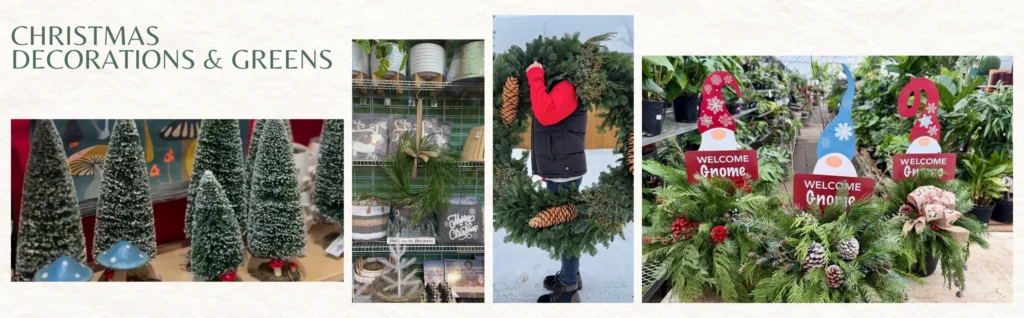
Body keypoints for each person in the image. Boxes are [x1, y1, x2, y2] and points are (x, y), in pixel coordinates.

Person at [526, 61, 586, 303]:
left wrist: (535, 76)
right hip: (560, 167)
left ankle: (569, 288)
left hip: (564, 171)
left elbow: (545, 113)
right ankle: (572, 275)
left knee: (566, 232)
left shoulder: (566, 86)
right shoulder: (564, 87)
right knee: (566, 228)